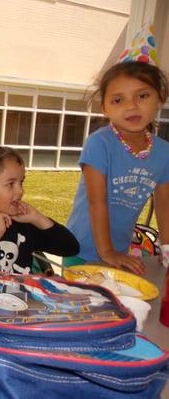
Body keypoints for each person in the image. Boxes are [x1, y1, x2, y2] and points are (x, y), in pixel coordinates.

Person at [65, 24, 169, 274]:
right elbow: (96, 201)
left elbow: (165, 205)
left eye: (142, 96)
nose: (131, 106)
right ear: (105, 107)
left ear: (160, 98)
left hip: (119, 251)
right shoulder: (99, 144)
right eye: (118, 100)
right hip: (81, 250)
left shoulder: (164, 151)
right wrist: (107, 252)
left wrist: (167, 250)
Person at [0, 145, 80, 284]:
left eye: (21, 182)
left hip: (22, 302)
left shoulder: (23, 225)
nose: (20, 191)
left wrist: (38, 218)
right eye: (11, 184)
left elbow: (71, 248)